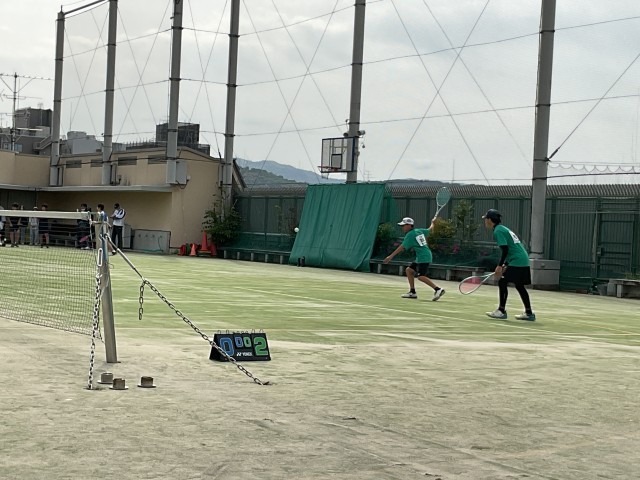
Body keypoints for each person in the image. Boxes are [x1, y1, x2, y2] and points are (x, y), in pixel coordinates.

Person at [483, 209, 536, 321]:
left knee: (502, 282)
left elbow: (505, 249)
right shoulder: (503, 228)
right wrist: (506, 263)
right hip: (522, 259)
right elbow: (512, 248)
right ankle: (529, 313)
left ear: (489, 220)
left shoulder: (498, 231)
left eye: (485, 219)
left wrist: (499, 266)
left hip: (517, 260)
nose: (485, 221)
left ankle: (501, 311)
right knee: (519, 285)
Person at [383, 216, 445, 301]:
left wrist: (390, 256)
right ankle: (412, 292)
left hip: (423, 257)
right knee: (409, 270)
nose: (402, 227)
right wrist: (432, 223)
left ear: (409, 225)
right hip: (422, 256)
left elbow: (402, 247)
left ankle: (438, 289)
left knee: (421, 277)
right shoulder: (418, 231)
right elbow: (430, 230)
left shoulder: (410, 235)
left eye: (404, 225)